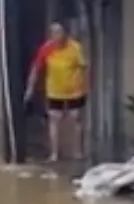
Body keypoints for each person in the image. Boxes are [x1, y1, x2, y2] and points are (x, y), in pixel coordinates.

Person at [24, 21, 87, 162]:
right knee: (54, 120)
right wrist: (30, 89)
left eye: (61, 32)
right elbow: (36, 69)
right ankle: (54, 153)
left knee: (76, 119)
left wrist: (85, 86)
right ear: (51, 36)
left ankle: (77, 152)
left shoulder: (75, 47)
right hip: (55, 91)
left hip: (74, 91)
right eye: (55, 33)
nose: (59, 36)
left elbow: (84, 67)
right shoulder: (46, 49)